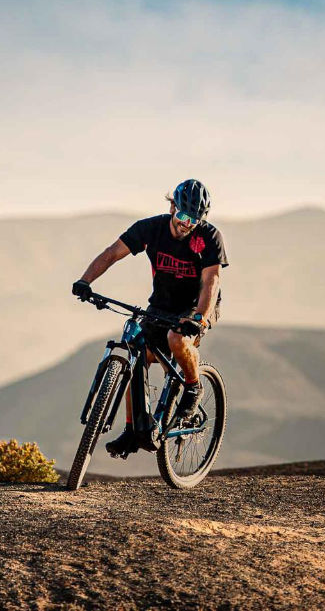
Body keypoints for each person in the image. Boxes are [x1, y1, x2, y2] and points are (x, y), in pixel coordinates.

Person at [71, 179, 229, 457]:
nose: (186, 223)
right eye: (182, 215)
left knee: (177, 338)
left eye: (194, 218)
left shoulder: (209, 237)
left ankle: (193, 388)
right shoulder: (150, 229)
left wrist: (200, 317)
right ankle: (134, 431)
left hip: (196, 307)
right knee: (136, 355)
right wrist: (85, 281)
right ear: (172, 207)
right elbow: (111, 254)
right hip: (161, 305)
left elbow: (211, 281)